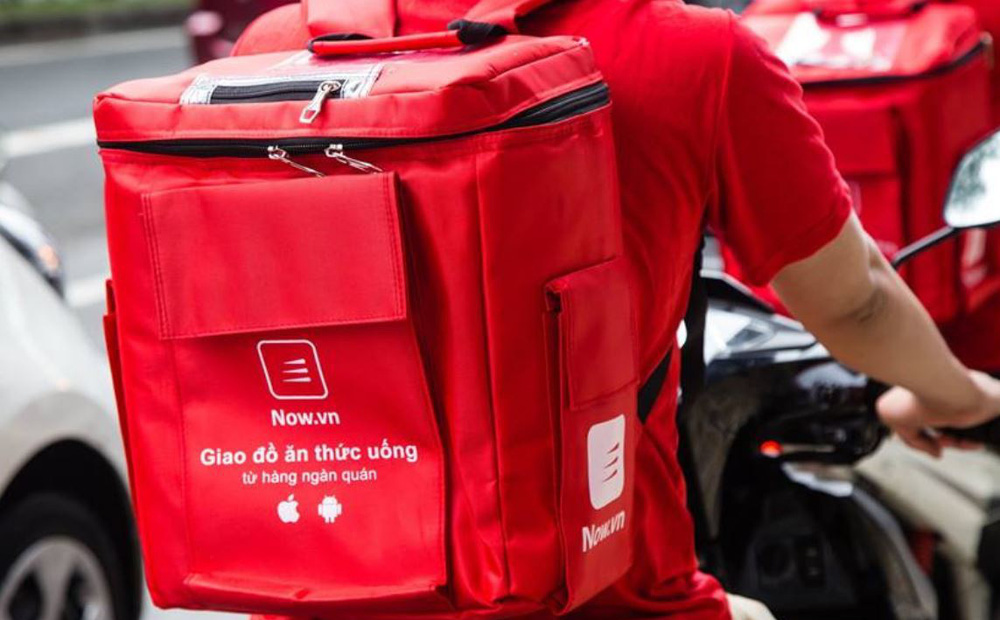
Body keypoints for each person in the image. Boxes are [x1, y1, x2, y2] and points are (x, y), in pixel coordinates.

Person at [234, 0, 1000, 617]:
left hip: (327, 580)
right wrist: (957, 395)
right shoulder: (692, 52)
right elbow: (854, 302)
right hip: (609, 589)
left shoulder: (281, 47)